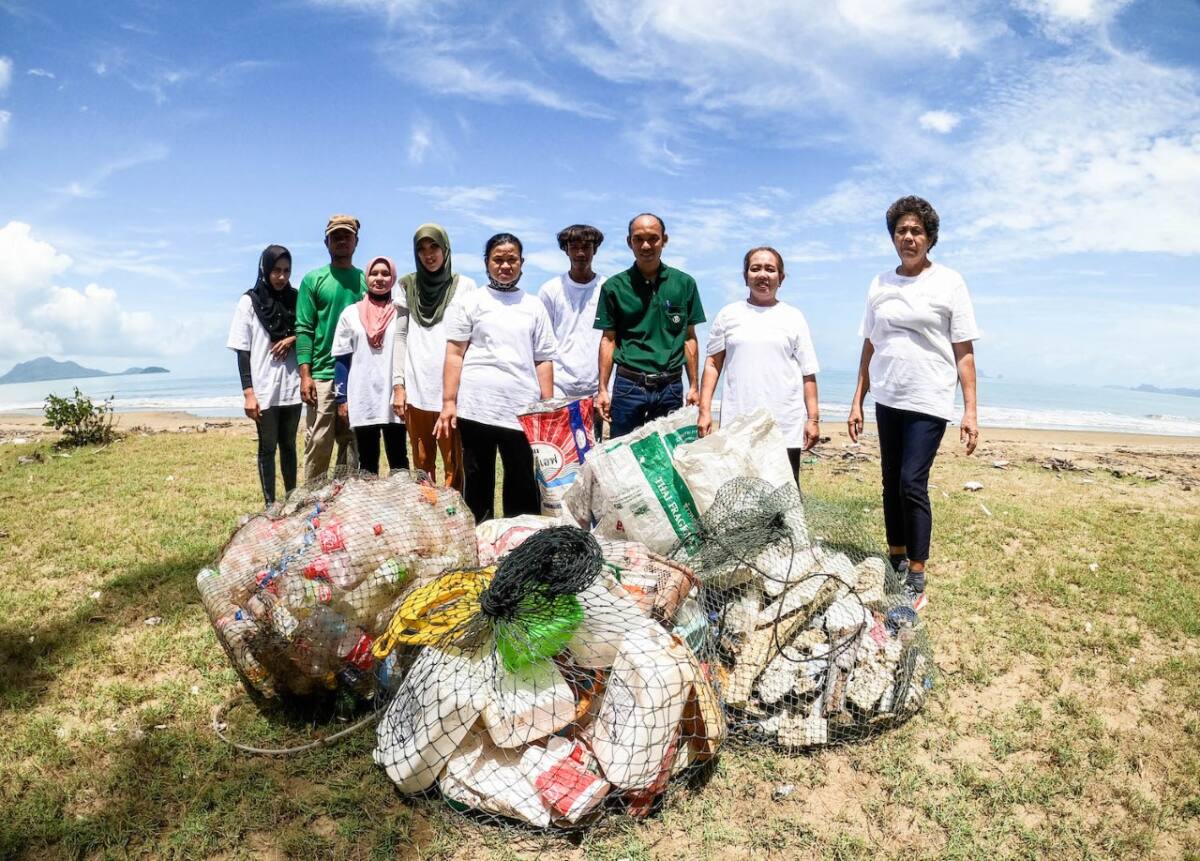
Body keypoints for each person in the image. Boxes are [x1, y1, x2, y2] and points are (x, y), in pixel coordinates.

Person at [848, 195, 980, 611]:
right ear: (893, 237)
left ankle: (916, 574)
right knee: (890, 482)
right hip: (888, 394)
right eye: (902, 230)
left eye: (916, 231)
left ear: (929, 238)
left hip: (929, 396)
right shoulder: (879, 283)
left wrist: (970, 410)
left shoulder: (949, 282)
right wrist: (857, 400)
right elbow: (870, 344)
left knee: (911, 482)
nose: (909, 237)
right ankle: (896, 558)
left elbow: (964, 348)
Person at [435, 233, 556, 522]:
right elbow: (454, 354)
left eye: (511, 259)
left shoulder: (534, 305)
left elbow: (543, 358)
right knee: (477, 482)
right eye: (498, 259)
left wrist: (547, 405)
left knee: (523, 483)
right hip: (478, 407)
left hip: (522, 410)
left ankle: (521, 548)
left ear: (522, 263)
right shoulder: (471, 302)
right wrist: (449, 402)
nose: (505, 265)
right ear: (486, 263)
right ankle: (481, 546)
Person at [697, 247, 820, 481]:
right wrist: (705, 411)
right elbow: (713, 363)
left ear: (781, 278)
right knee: (738, 493)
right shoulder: (728, 314)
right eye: (755, 269)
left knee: (783, 498)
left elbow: (808, 372)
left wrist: (813, 419)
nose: (763, 274)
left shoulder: (793, 317)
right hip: (737, 424)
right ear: (745, 276)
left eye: (770, 269)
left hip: (784, 424)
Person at [594, 213, 704, 438]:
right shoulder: (614, 287)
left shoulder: (684, 284)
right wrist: (603, 389)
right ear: (629, 242)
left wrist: (694, 385)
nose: (646, 245)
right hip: (629, 385)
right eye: (638, 239)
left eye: (653, 238)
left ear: (664, 240)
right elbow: (609, 339)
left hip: (671, 386)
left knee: (668, 457)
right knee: (622, 456)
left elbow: (689, 337)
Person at [393, 224, 477, 489]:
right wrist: (398, 384)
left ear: (446, 249)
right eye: (421, 249)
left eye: (434, 247)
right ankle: (427, 522)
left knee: (454, 466)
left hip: (450, 393)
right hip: (416, 390)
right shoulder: (407, 285)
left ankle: (454, 522)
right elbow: (400, 336)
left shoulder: (464, 286)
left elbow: (470, 339)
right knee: (422, 466)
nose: (428, 255)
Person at [226, 244, 301, 506]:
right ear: (265, 269)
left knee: (289, 447)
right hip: (264, 387)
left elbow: (309, 331)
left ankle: (291, 501)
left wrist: (292, 338)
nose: (281, 276)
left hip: (292, 386)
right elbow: (242, 350)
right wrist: (249, 393)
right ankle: (270, 505)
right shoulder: (249, 301)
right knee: (268, 448)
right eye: (276, 270)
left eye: (287, 270)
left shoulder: (297, 298)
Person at [295, 214, 366, 483]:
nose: (341, 240)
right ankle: (310, 505)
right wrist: (305, 375)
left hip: (356, 375)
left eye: (346, 235)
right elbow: (304, 328)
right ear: (326, 242)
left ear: (356, 241)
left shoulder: (365, 280)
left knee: (352, 444)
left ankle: (344, 502)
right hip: (322, 376)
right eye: (335, 236)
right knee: (318, 443)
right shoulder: (313, 280)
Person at [332, 255, 410, 475]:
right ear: (366, 277)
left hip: (394, 397)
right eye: (374, 273)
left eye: (385, 273)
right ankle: (369, 508)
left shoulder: (402, 311)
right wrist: (341, 399)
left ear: (393, 277)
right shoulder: (351, 313)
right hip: (363, 396)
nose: (379, 278)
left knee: (399, 458)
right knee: (367, 461)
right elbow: (341, 359)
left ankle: (400, 505)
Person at [537, 224, 606, 439]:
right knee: (559, 457)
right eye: (574, 246)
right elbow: (541, 341)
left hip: (596, 389)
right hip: (559, 386)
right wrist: (545, 394)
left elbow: (614, 339)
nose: (580, 253)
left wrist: (605, 388)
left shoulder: (608, 288)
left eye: (586, 246)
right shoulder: (551, 290)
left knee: (593, 458)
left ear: (595, 250)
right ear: (565, 249)